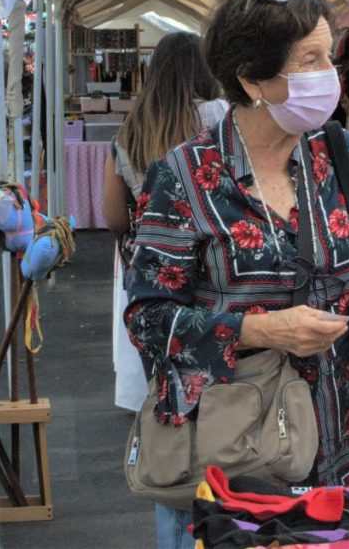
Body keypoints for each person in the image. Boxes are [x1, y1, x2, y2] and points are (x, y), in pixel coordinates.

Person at [124, 0, 349, 549]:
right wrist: (258, 330)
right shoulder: (184, 176)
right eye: (311, 61)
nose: (331, 72)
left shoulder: (339, 151)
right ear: (252, 80)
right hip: (247, 452)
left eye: (329, 55)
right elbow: (149, 318)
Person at [102, 31, 220, 414]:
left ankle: (170, 450)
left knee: (162, 374)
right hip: (213, 261)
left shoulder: (130, 131)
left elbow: (114, 216)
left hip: (150, 269)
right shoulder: (218, 116)